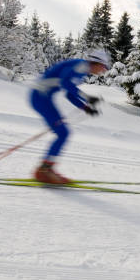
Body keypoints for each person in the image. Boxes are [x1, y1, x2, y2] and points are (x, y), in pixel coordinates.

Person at [30, 49, 110, 184]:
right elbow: (65, 83)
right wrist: (87, 97)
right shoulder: (79, 65)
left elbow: (68, 94)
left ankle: (46, 169)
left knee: (63, 133)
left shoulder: (82, 72)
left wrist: (85, 107)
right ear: (96, 63)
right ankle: (44, 171)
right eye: (103, 67)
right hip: (40, 96)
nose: (103, 71)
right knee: (63, 133)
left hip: (44, 97)